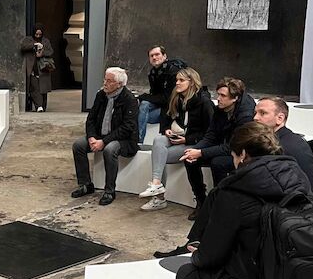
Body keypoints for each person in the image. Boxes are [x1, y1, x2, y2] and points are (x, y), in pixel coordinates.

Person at [162, 122, 313, 279]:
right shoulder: (298, 177)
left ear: (242, 155)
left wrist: (198, 253)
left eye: (233, 155)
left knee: (185, 276)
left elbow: (210, 257)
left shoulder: (234, 192)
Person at [138, 68, 214, 211]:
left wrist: (186, 140)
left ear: (191, 82)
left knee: (159, 154)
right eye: (176, 80)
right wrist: (166, 129)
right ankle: (156, 185)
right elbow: (166, 117)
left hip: (195, 143)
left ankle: (159, 197)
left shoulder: (204, 102)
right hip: (177, 137)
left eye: (181, 80)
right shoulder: (176, 97)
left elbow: (210, 133)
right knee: (159, 140)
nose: (177, 83)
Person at [179, 77, 254, 219]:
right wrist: (194, 150)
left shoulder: (246, 115)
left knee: (218, 163)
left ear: (235, 98)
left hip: (243, 153)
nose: (218, 99)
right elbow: (210, 135)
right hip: (226, 147)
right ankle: (202, 201)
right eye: (218, 94)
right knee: (190, 160)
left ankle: (219, 204)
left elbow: (233, 145)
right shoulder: (220, 108)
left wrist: (201, 152)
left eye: (223, 96)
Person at [71, 67, 139, 205]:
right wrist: (91, 137)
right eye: (105, 79)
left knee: (110, 149)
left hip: (123, 140)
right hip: (99, 136)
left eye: (109, 81)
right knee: (78, 145)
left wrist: (104, 141)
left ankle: (109, 191)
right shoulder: (101, 95)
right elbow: (91, 119)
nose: (105, 83)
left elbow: (127, 128)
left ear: (119, 84)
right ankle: (85, 184)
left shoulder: (129, 99)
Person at [253, 97, 313, 193]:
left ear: (280, 118)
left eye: (262, 113)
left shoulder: (276, 148)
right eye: (255, 113)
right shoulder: (294, 140)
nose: (255, 118)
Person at [137, 45, 186, 143]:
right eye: (151, 56)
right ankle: (137, 142)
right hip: (160, 106)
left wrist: (142, 97)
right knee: (142, 107)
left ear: (164, 56)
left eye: (157, 54)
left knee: (143, 105)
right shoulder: (153, 73)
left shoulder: (173, 71)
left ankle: (139, 141)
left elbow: (167, 98)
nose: (154, 58)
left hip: (172, 110)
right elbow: (155, 95)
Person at [20, 23, 54, 112]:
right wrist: (34, 45)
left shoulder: (46, 41)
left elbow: (50, 51)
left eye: (40, 34)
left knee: (43, 88)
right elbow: (23, 47)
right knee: (34, 87)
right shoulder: (28, 39)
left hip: (43, 68)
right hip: (32, 67)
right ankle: (39, 106)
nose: (38, 36)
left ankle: (43, 106)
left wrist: (42, 52)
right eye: (36, 34)